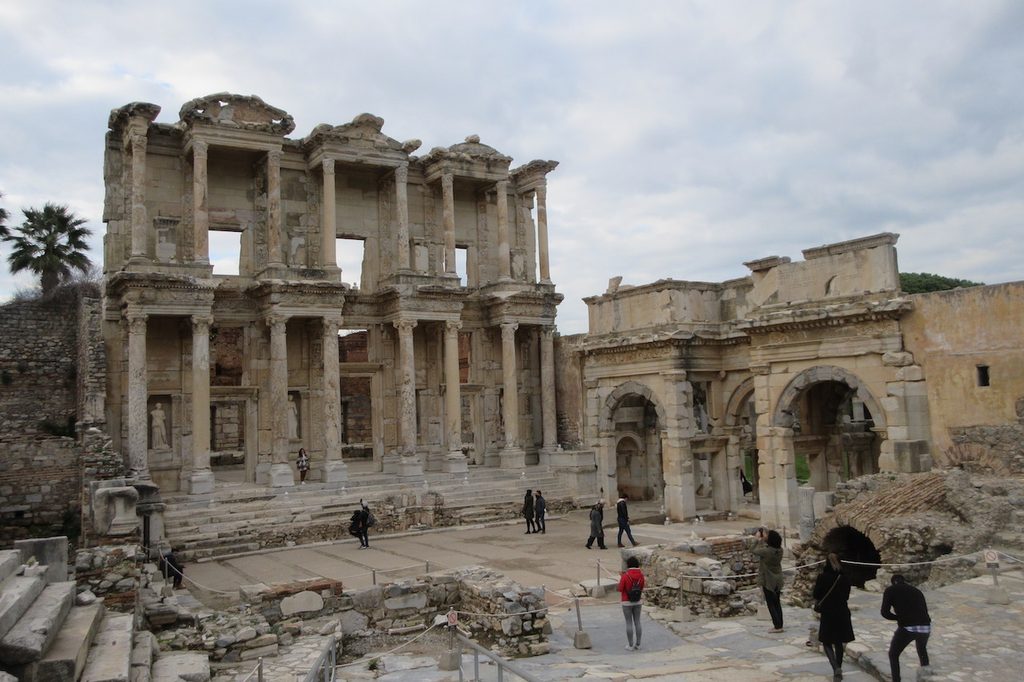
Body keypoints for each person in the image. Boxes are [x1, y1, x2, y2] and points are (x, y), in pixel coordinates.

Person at [881, 574, 931, 682]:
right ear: (904, 581)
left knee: (893, 654)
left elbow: (884, 612)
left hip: (908, 627)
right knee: (922, 649)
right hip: (925, 627)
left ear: (893, 582)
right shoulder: (916, 591)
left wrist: (899, 618)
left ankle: (896, 680)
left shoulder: (891, 590)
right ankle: (926, 677)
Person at [813, 553, 855, 681]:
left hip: (828, 612)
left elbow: (816, 594)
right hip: (842, 611)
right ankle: (839, 668)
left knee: (826, 642)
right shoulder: (844, 578)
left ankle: (836, 667)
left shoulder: (822, 577)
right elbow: (847, 596)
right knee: (838, 642)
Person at [753, 528, 785, 632]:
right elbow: (767, 549)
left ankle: (777, 626)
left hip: (768, 580)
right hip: (778, 579)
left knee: (771, 604)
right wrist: (764, 540)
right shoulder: (780, 550)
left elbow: (753, 550)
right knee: (777, 603)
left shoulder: (766, 551)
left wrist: (758, 539)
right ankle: (780, 624)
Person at [617, 556, 645, 650]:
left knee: (629, 623)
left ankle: (630, 645)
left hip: (626, 601)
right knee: (637, 622)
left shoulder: (625, 576)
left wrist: (621, 578)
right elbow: (642, 587)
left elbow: (620, 589)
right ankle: (638, 644)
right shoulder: (641, 575)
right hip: (637, 601)